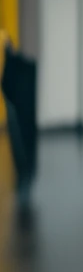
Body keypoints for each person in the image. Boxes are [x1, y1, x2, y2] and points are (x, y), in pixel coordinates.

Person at [1, 31, 39, 203]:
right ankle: (26, 172)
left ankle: (26, 172)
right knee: (21, 126)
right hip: (20, 65)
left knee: (21, 126)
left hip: (21, 66)